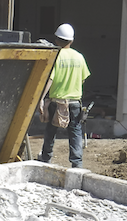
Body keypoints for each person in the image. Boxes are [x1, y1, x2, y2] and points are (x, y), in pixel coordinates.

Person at [37, 23, 91, 168]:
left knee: (51, 131)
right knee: (75, 132)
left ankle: (46, 158)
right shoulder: (79, 57)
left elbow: (50, 79)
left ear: (56, 40)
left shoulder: (56, 56)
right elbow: (83, 78)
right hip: (74, 102)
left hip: (57, 101)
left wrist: (41, 98)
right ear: (71, 41)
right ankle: (77, 164)